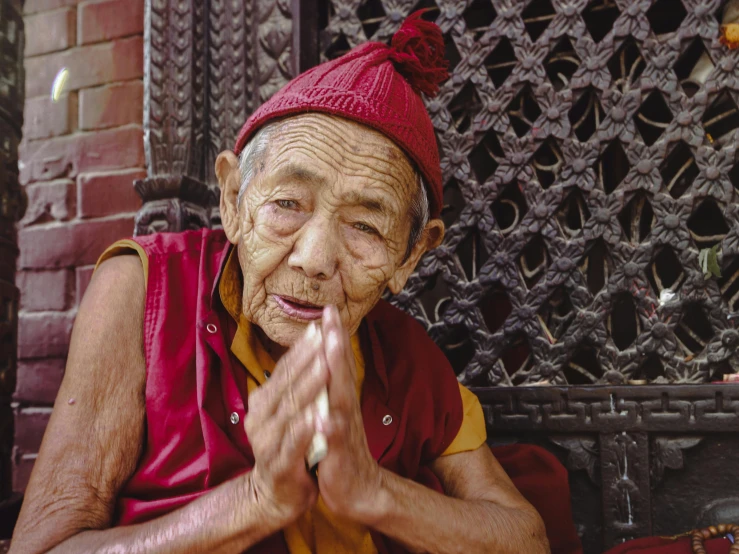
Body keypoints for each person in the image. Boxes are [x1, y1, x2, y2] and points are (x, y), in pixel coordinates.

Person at [9, 12, 550, 554]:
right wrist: (255, 501)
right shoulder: (142, 291)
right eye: (287, 204)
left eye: (364, 226)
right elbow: (46, 547)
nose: (314, 260)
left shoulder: (403, 355)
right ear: (233, 201)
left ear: (410, 255)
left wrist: (374, 491)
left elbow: (526, 538)